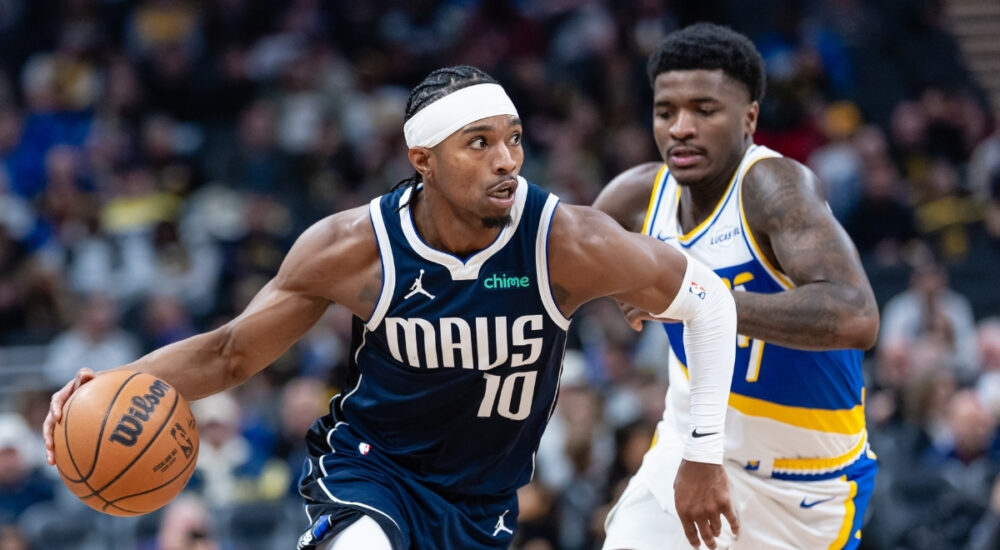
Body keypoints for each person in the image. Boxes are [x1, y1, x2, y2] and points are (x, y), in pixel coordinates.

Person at [43, 66, 740, 550]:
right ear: (423, 159)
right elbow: (231, 352)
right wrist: (109, 385)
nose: (506, 159)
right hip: (374, 468)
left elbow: (709, 302)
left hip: (481, 500)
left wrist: (704, 456)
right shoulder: (353, 249)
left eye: (513, 138)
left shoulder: (566, 242)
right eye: (479, 142)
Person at [594, 24, 880, 550]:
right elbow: (548, 273)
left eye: (704, 110)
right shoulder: (635, 200)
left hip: (804, 489)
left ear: (749, 118)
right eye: (665, 112)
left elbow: (857, 315)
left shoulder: (774, 187)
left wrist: (698, 300)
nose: (681, 128)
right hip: (689, 451)